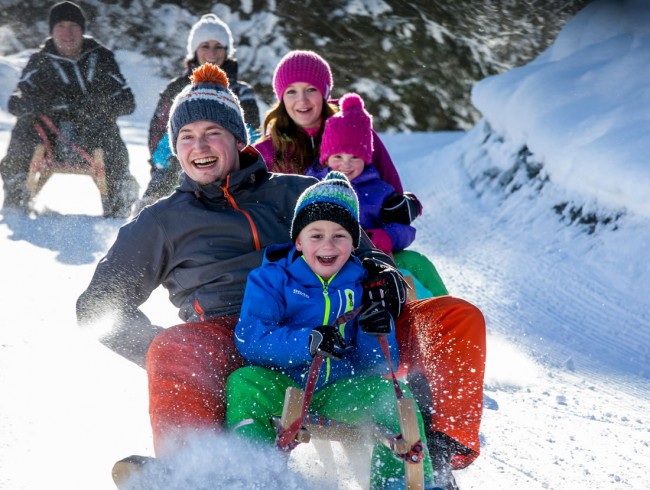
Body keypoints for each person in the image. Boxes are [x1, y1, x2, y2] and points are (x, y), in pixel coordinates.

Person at [76, 64, 484, 490]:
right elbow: (96, 308)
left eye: (212, 132)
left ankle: (438, 450)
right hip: (232, 332)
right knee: (175, 347)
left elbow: (364, 250)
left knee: (454, 317)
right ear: (174, 149)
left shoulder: (292, 193)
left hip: (339, 316)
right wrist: (163, 358)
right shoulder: (160, 222)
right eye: (186, 136)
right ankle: (195, 472)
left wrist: (382, 277)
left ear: (238, 138)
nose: (199, 145)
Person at [225, 171, 434, 488]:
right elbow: (251, 339)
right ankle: (252, 475)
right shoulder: (270, 279)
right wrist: (306, 342)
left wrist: (374, 330)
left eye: (339, 235)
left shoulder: (364, 285)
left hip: (339, 389)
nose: (328, 244)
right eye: (316, 235)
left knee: (392, 397)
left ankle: (400, 484)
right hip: (282, 383)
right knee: (243, 383)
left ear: (353, 243)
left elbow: (376, 367)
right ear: (298, 240)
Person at [0, 1, 138, 218]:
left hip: (93, 134)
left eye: (73, 26)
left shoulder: (101, 57)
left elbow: (127, 101)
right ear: (52, 30)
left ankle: (119, 196)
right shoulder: (40, 60)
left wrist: (96, 106)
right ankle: (16, 193)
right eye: (61, 26)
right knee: (25, 125)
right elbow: (16, 103)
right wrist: (45, 105)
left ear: (82, 30)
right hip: (50, 137)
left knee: (108, 132)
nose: (67, 33)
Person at [254, 49, 421, 227]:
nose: (302, 100)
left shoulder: (352, 129)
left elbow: (392, 191)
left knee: (412, 257)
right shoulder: (268, 151)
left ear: (325, 93)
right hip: (299, 245)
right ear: (281, 98)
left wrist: (403, 208)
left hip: (366, 237)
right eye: (291, 92)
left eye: (311, 90)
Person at [134, 13, 261, 213]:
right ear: (195, 50)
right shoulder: (177, 88)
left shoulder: (242, 92)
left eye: (218, 46)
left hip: (228, 162)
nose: (212, 52)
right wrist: (160, 159)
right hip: (179, 160)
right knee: (173, 170)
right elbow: (158, 130)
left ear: (227, 51)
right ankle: (149, 214)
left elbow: (252, 133)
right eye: (205, 46)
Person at [308, 91, 418, 256]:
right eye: (338, 156)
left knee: (418, 262)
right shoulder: (312, 186)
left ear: (366, 159)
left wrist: (387, 236)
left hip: (370, 257)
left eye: (354, 157)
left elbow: (404, 229)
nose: (346, 164)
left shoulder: (379, 191)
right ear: (325, 159)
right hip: (325, 258)